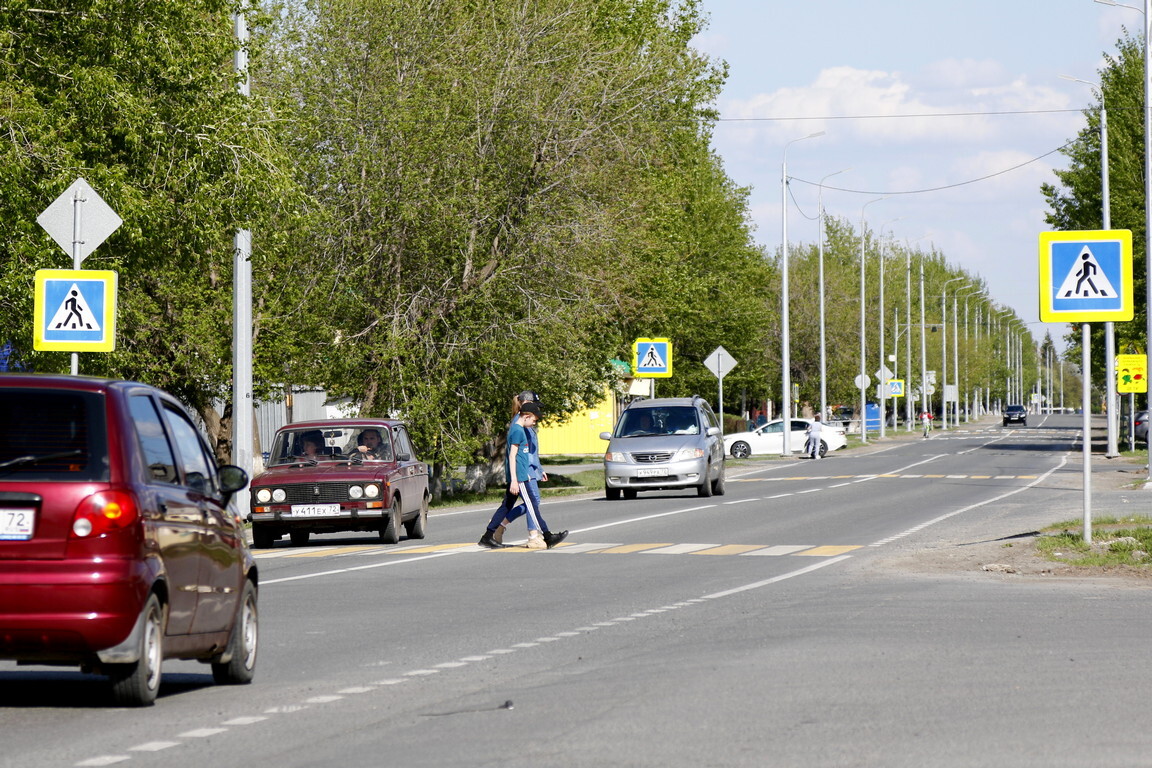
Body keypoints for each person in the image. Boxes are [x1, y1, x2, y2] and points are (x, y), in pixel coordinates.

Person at [479, 393, 568, 549]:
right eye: (534, 419)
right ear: (526, 415)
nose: (534, 422)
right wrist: (515, 479)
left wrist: (538, 469)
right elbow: (512, 456)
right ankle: (546, 536)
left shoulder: (521, 428)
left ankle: (487, 536)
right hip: (521, 476)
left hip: (521, 474)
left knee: (507, 506)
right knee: (532, 504)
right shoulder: (518, 430)